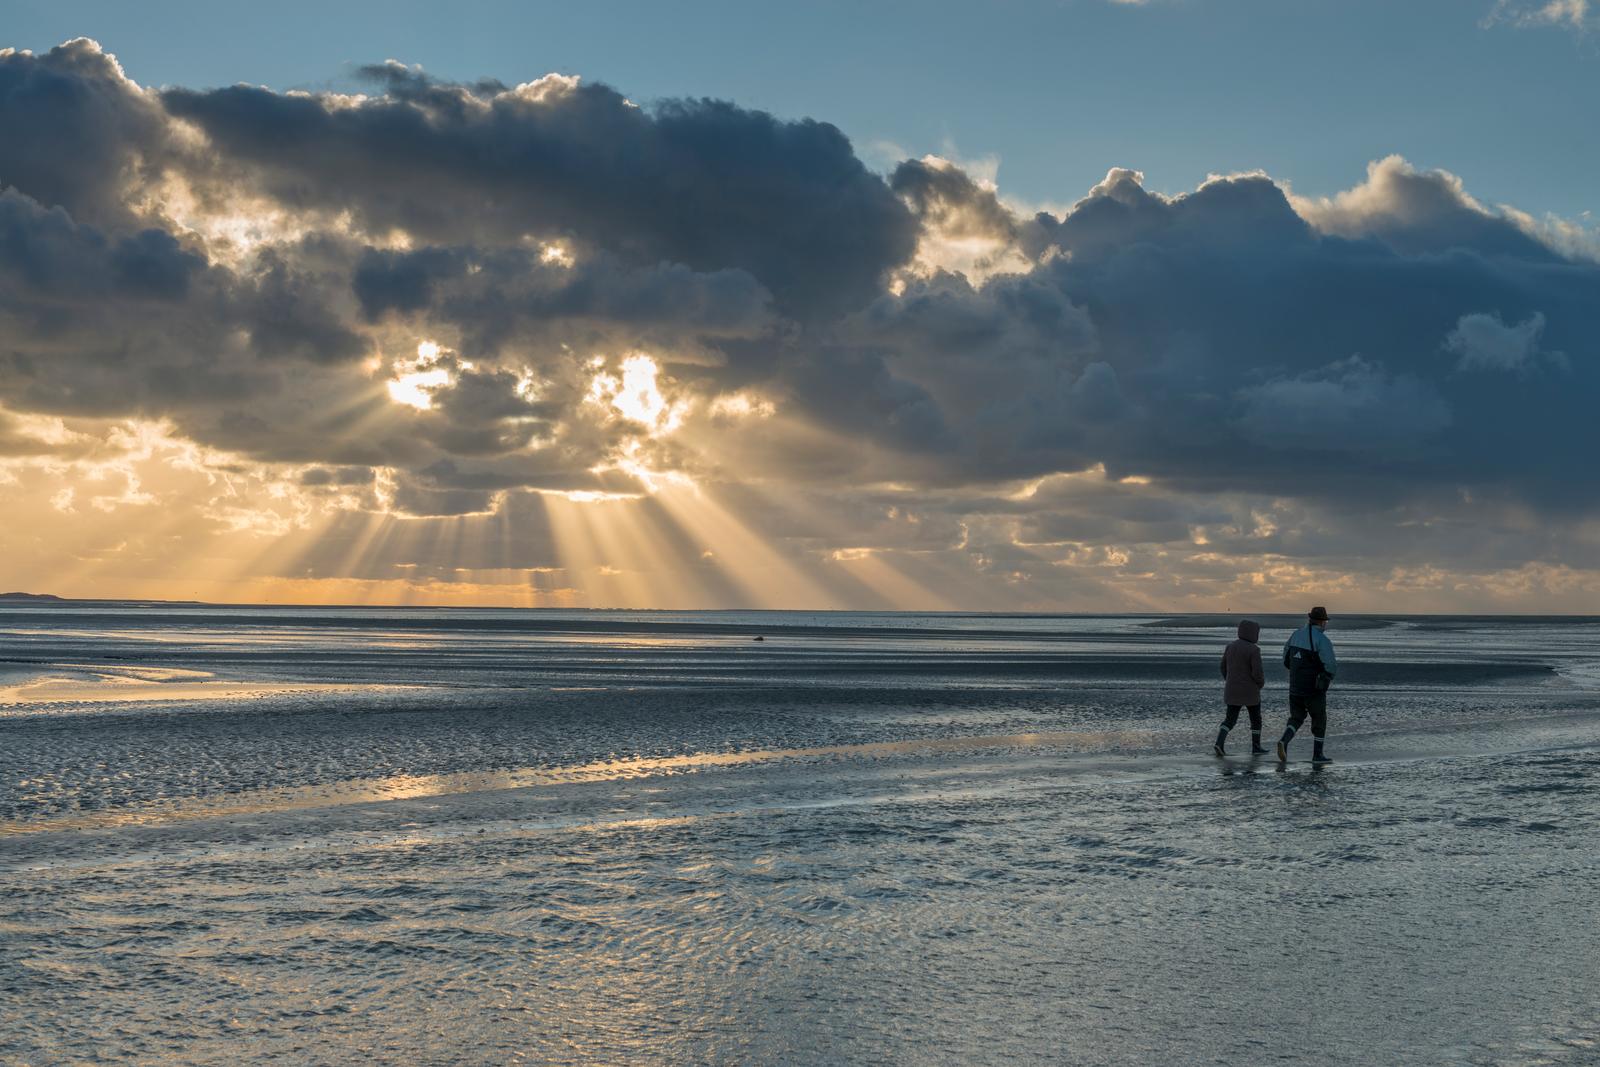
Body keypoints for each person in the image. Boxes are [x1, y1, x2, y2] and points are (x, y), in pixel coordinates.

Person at [1276, 606, 1337, 765]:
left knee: (1296, 717)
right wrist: (1328, 676)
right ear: (1322, 622)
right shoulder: (1322, 640)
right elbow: (1330, 664)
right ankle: (1318, 755)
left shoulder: (1295, 634)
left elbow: (1286, 657)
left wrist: (1295, 671)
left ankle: (1284, 741)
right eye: (1325, 621)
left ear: (1310, 619)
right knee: (1319, 719)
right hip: (1313, 688)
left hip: (1295, 686)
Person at [1214, 619, 1266, 756]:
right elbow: (1257, 672)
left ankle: (1219, 743)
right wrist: (1260, 684)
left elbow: (1222, 667)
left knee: (1230, 719)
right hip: (1250, 691)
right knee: (1256, 719)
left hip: (1232, 689)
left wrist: (1229, 680)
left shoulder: (1230, 646)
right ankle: (1256, 747)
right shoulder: (1254, 649)